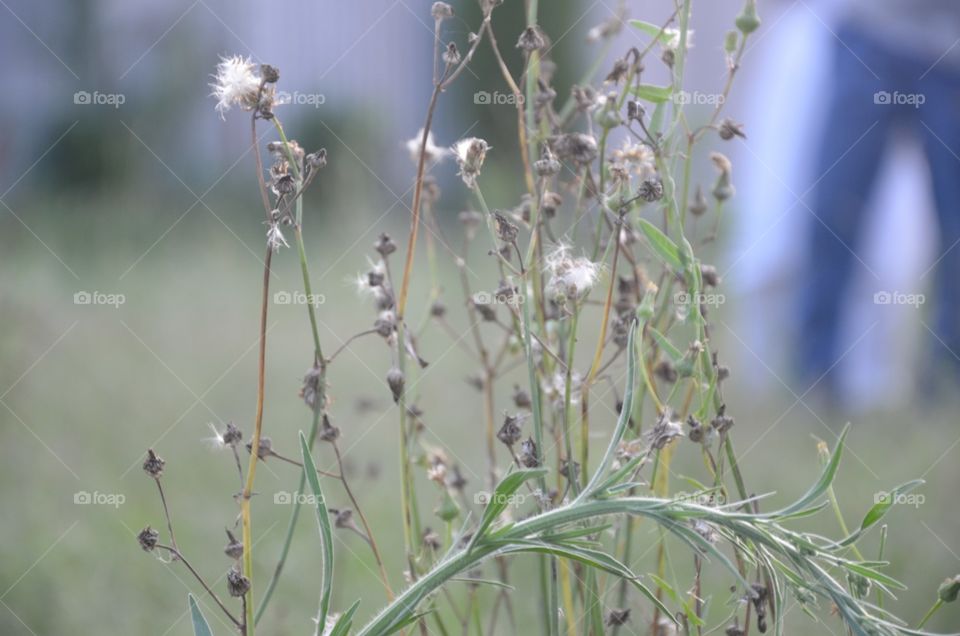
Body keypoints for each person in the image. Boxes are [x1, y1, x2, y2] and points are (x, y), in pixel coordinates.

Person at [798, 0, 960, 398]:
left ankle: (946, 380)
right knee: (835, 209)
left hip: (952, 56)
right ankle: (815, 375)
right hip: (870, 31)